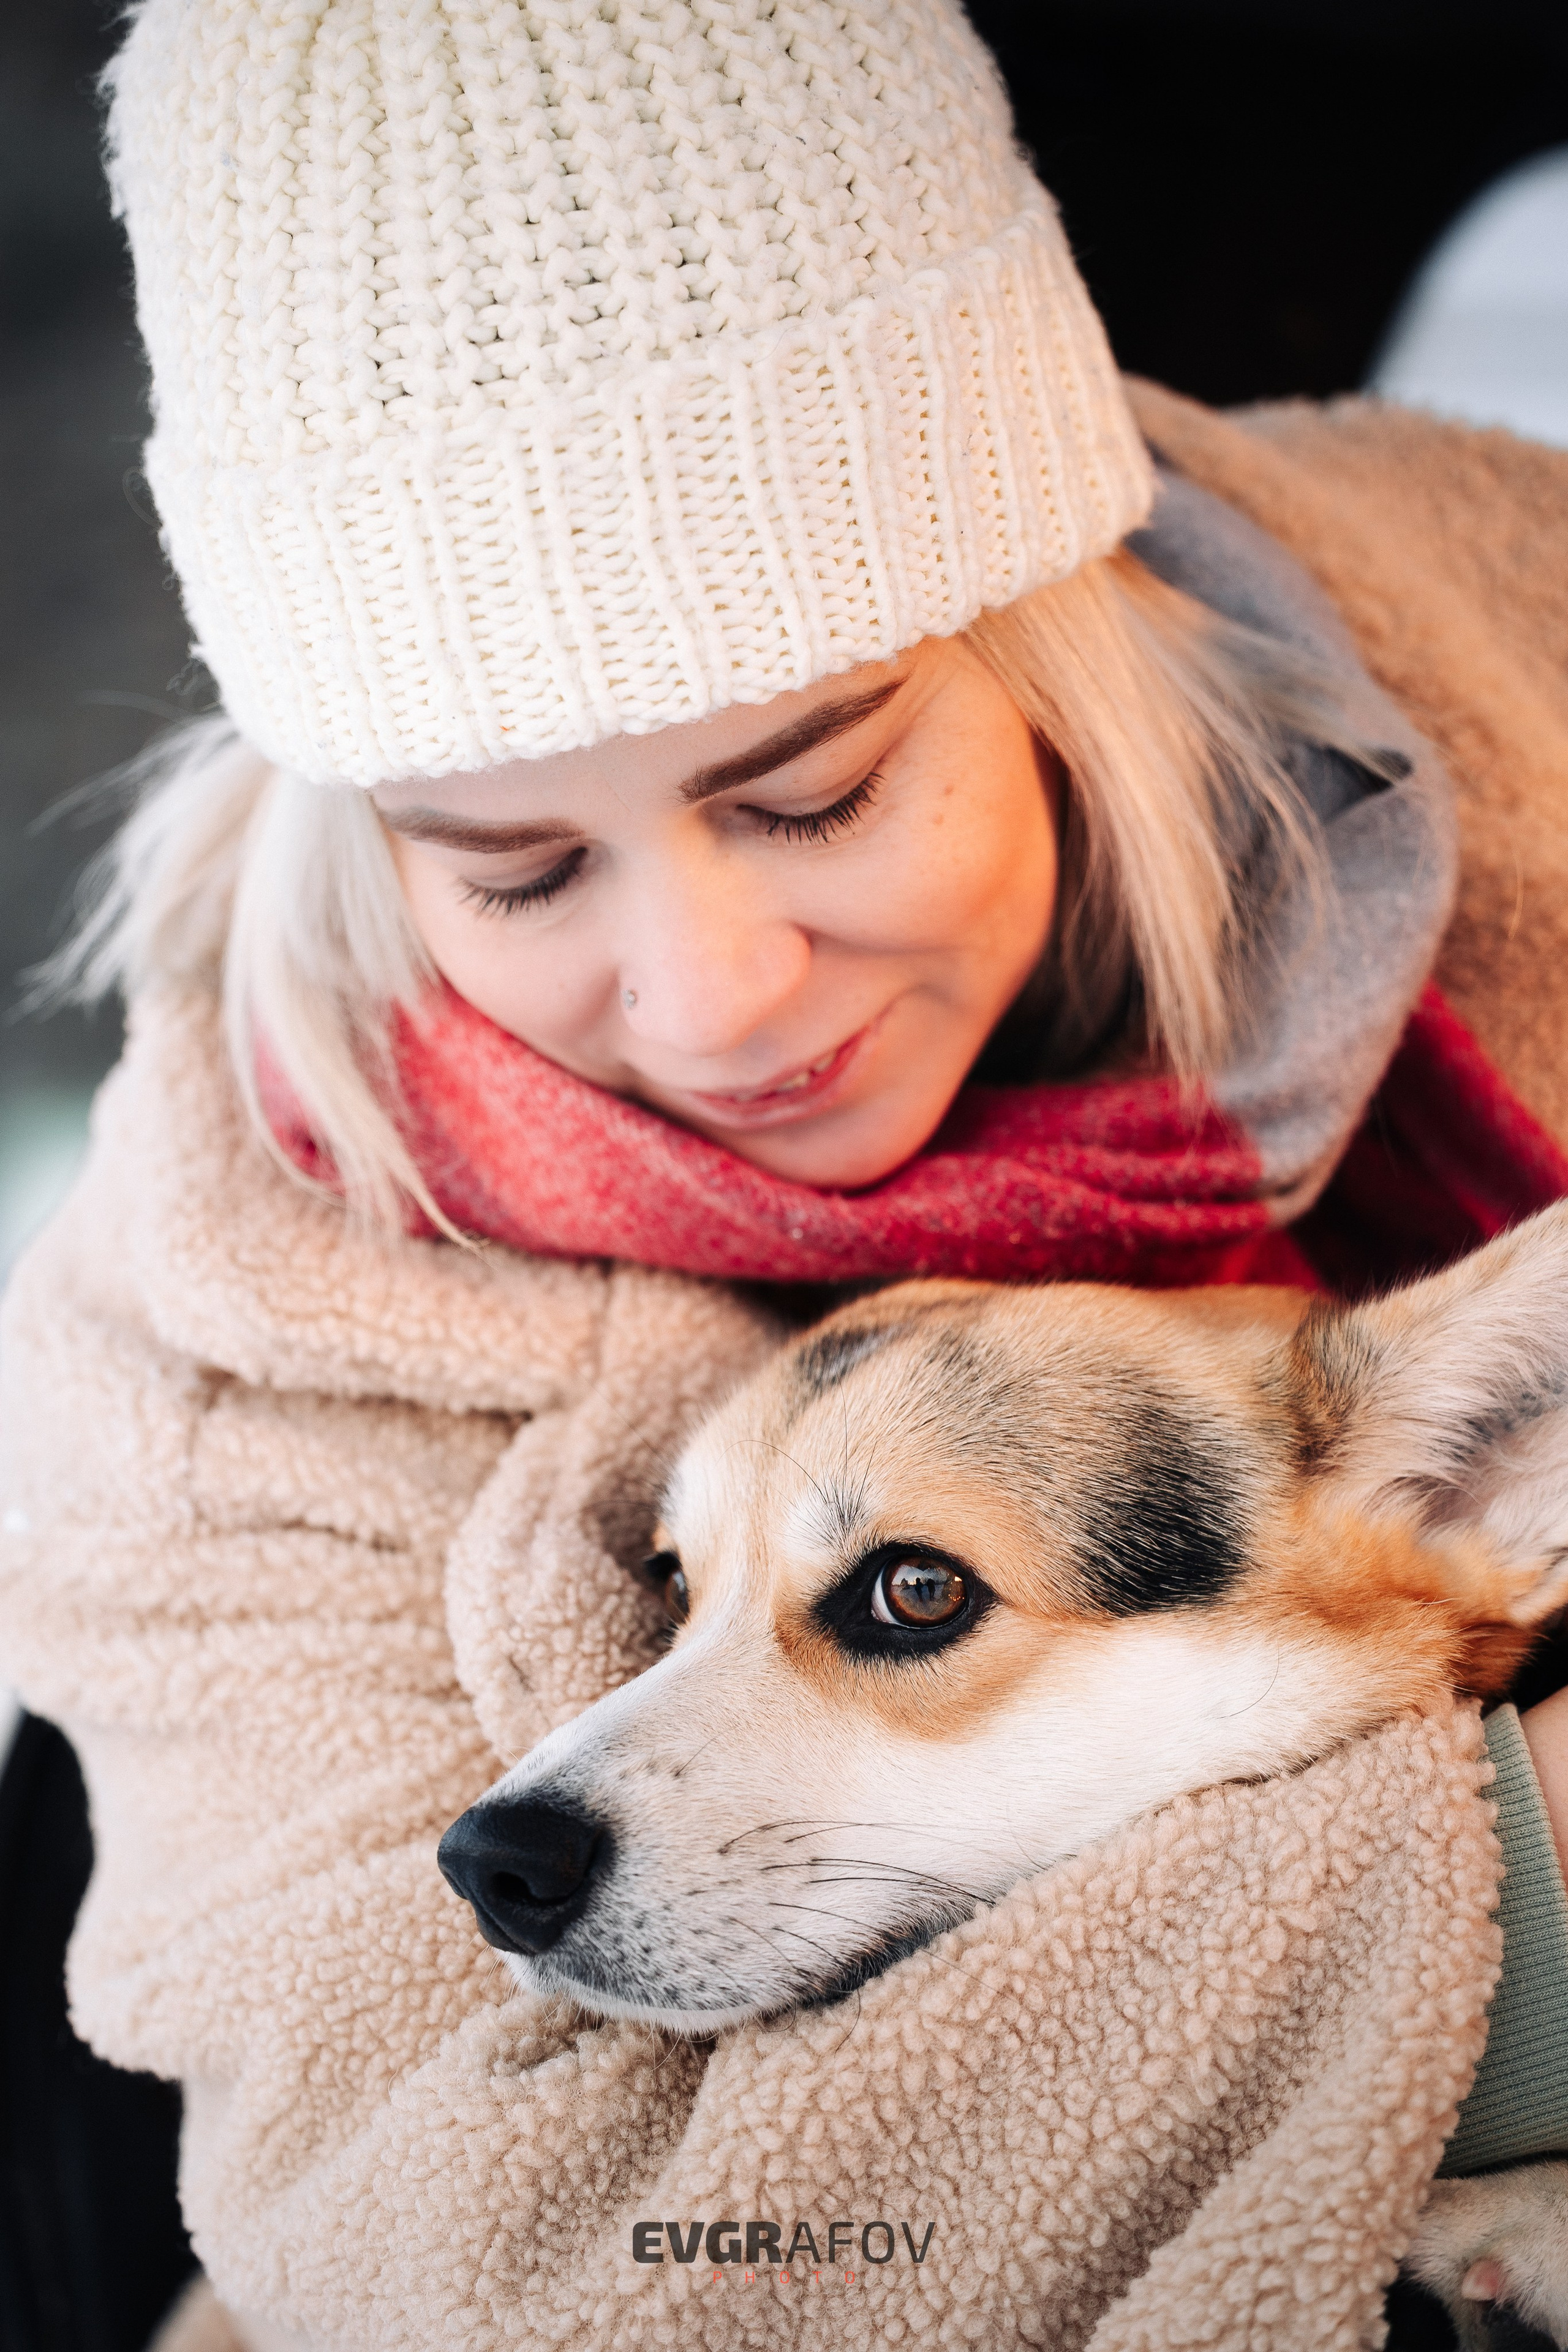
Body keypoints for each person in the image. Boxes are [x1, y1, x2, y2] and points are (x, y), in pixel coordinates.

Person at [1, 2, 1566, 2346]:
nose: (718, 999)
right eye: (518, 870)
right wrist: (1532, 1916)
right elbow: (519, 2272)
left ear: (1051, 644)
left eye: (811, 792)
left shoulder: (1512, 645)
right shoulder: (223, 1362)